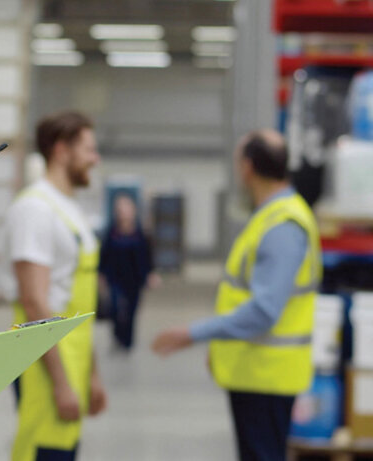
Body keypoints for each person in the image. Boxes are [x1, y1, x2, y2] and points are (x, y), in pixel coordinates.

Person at [152, 129, 322, 461]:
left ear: (247, 167)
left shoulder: (282, 225)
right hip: (255, 372)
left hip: (267, 377)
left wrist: (193, 333)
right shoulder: (272, 215)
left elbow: (264, 311)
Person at [6, 111, 107, 461]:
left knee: (63, 450)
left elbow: (80, 306)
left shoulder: (69, 208)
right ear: (62, 150)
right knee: (43, 450)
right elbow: (35, 303)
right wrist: (62, 384)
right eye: (89, 150)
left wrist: (91, 374)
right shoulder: (35, 209)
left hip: (72, 355)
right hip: (45, 365)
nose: (95, 159)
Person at [98, 194, 158, 351]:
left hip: (134, 278)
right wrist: (101, 275)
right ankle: (117, 336)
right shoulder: (111, 233)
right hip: (115, 278)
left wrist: (151, 274)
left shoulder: (141, 233)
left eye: (126, 208)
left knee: (131, 310)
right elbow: (104, 255)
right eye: (120, 209)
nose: (123, 212)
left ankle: (127, 341)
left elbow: (148, 255)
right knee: (116, 308)